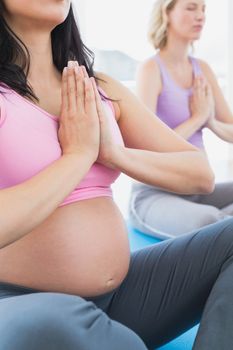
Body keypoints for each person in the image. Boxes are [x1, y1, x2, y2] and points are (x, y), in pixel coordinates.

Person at [0, 1, 233, 350]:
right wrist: (78, 156)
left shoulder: (100, 87)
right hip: (21, 304)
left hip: (125, 300)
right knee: (52, 321)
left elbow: (200, 174)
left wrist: (116, 153)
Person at [129, 0, 233, 240]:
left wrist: (211, 122)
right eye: (191, 7)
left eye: (203, 9)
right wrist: (197, 118)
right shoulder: (151, 70)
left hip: (198, 190)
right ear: (167, 13)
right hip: (155, 195)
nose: (200, 16)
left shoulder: (203, 70)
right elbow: (144, 144)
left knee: (215, 222)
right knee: (209, 222)